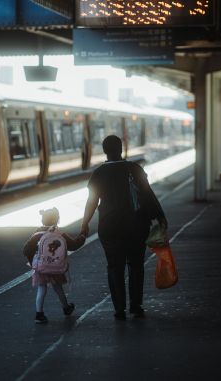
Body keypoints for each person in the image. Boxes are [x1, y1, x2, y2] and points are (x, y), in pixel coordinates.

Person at [80, 135, 167, 321]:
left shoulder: (99, 173)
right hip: (136, 225)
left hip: (110, 227)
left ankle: (119, 309)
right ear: (122, 148)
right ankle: (136, 306)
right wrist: (160, 217)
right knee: (136, 266)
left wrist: (84, 223)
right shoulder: (134, 169)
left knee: (114, 267)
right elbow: (148, 195)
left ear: (104, 151)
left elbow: (92, 201)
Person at [23, 207, 86, 324]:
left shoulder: (36, 234)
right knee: (58, 287)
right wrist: (82, 236)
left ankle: (39, 314)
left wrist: (33, 263)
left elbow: (26, 250)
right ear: (57, 220)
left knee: (42, 289)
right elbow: (74, 245)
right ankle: (66, 307)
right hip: (56, 266)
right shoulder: (60, 234)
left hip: (41, 268)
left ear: (42, 220)